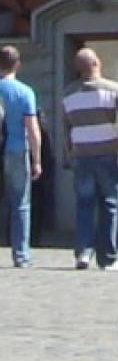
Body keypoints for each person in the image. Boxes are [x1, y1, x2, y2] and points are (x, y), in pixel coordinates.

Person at [61, 47, 118, 271]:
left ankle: (83, 252)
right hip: (106, 154)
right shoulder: (113, 89)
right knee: (109, 204)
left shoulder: (68, 93)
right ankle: (108, 258)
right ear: (96, 63)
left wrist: (70, 152)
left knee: (84, 204)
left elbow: (65, 129)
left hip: (82, 155)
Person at [0, 44, 42, 267]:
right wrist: (37, 159)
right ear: (17, 64)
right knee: (20, 204)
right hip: (16, 149)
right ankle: (21, 254)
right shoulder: (25, 92)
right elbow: (32, 128)